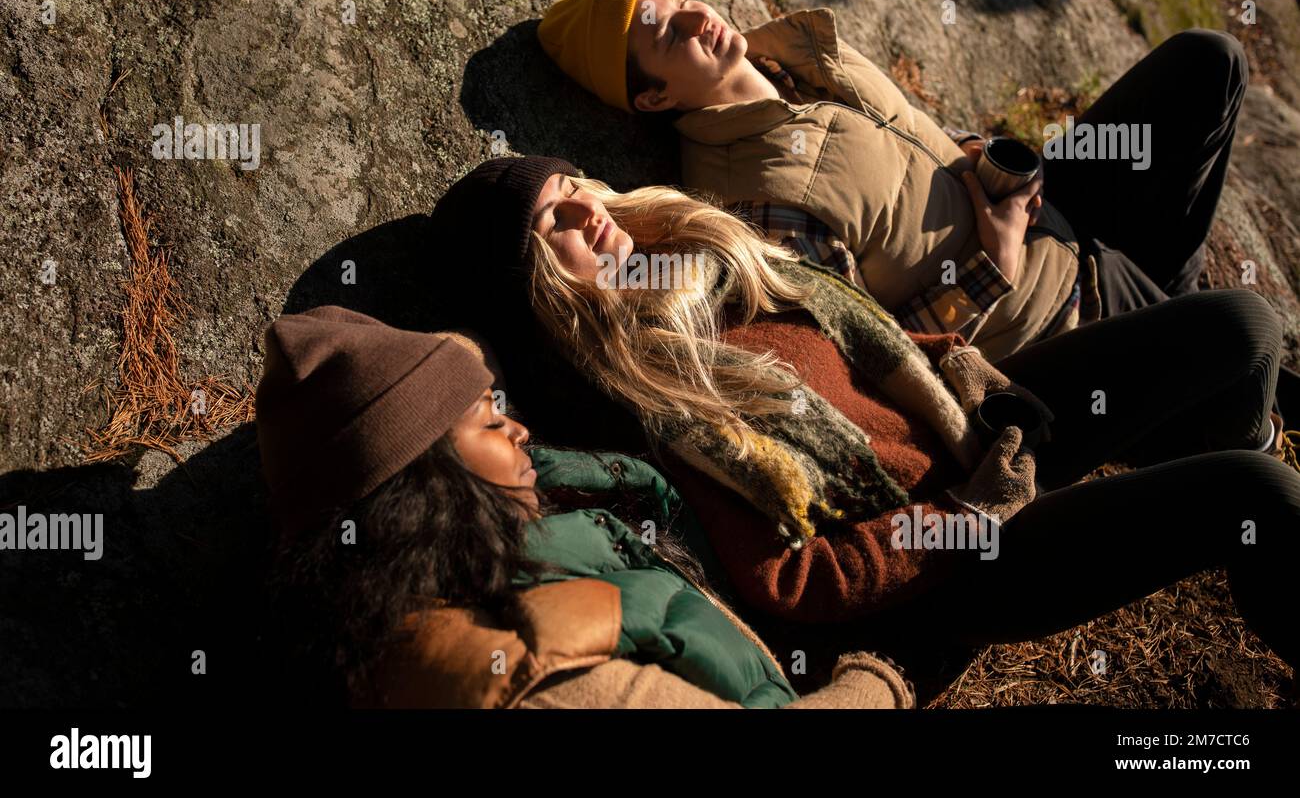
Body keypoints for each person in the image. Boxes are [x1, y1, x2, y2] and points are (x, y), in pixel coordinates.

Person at [427, 155, 1300, 687]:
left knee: (1243, 326)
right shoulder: (655, 410)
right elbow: (799, 584)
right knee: (1254, 497)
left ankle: (1243, 480)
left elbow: (863, 344)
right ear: (537, 287)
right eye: (557, 222)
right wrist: (962, 519)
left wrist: (958, 365)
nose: (591, 211)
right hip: (964, 560)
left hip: (971, 427)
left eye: (578, 188)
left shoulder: (709, 261)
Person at [537, 0, 1249, 366]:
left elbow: (904, 135)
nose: (694, 18)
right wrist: (994, 261)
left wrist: (971, 152)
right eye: (664, 34)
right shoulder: (756, 198)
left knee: (1210, 62)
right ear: (655, 97)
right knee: (1249, 338)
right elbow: (872, 355)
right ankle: (1195, 365)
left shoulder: (796, 58)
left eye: (673, 1)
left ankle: (1175, 307)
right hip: (1059, 319)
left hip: (1057, 214)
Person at [254, 304, 912, 709]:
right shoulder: (543, 678)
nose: (519, 431)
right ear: (425, 488)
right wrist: (879, 683)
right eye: (490, 423)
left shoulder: (421, 630)